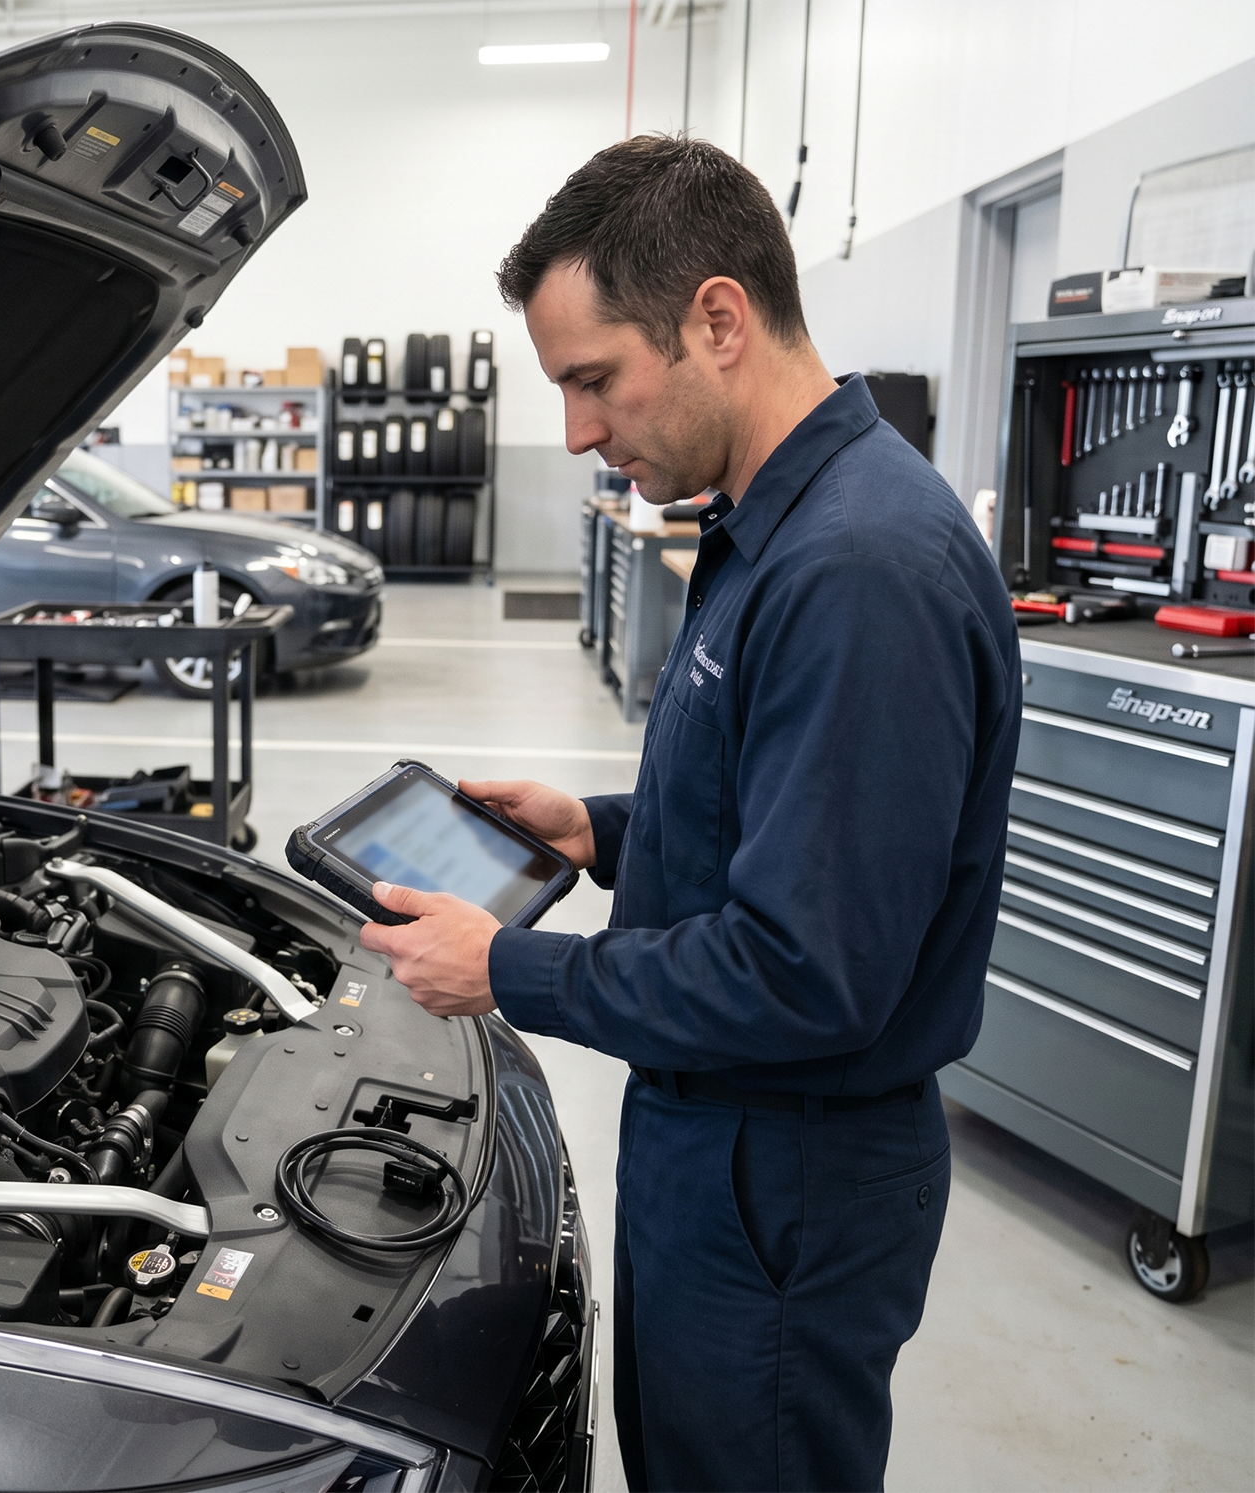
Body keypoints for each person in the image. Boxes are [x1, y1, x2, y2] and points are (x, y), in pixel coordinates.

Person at [358, 135, 1020, 1491]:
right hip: (724, 1143)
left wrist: (507, 970)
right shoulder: (775, 524)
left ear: (717, 320)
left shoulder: (857, 570)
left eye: (593, 380)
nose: (578, 433)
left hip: (785, 1172)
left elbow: (805, 971)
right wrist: (603, 829)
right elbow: (776, 808)